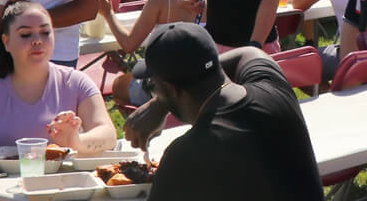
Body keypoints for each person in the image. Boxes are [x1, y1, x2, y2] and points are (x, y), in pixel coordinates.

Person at [122, 24, 323, 200]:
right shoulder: (274, 89)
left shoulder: (185, 156)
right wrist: (162, 101)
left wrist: (161, 102)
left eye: (152, 86)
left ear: (171, 89)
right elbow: (248, 53)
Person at [0, 0, 118, 167]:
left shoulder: (75, 82)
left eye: (45, 32)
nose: (37, 40)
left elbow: (109, 135)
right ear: (6, 41)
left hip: (64, 186)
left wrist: (76, 141)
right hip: (5, 188)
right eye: (25, 34)